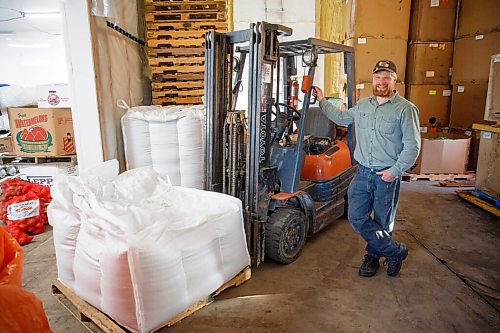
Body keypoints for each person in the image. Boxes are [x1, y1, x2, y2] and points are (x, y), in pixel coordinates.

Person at [312, 60, 421, 277]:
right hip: (362, 172)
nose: (381, 82)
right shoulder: (363, 105)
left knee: (382, 220)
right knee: (356, 216)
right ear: (372, 80)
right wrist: (322, 100)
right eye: (378, 77)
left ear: (394, 80)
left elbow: (413, 146)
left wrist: (395, 171)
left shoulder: (406, 109)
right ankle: (393, 251)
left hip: (386, 174)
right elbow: (342, 118)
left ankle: (373, 256)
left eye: (386, 77)